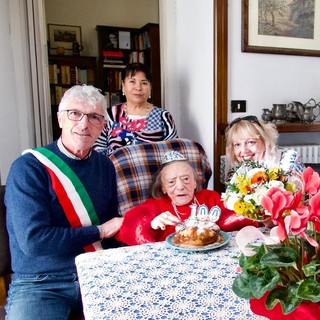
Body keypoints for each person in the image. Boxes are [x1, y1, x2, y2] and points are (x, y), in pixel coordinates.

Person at [4, 85, 123, 319]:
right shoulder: (28, 167)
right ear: (60, 119)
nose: (84, 123)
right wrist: (98, 231)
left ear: (102, 126)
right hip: (39, 282)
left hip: (95, 271)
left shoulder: (104, 165)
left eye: (94, 117)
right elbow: (34, 241)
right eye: (74, 113)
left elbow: (113, 226)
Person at [115, 150, 258, 246]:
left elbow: (237, 217)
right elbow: (130, 228)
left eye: (186, 179)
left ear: (195, 182)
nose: (180, 186)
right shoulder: (155, 206)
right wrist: (151, 224)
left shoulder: (210, 197)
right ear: (163, 187)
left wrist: (258, 213)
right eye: (171, 182)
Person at [93, 63, 178, 156]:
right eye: (132, 81)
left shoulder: (163, 117)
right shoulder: (109, 116)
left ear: (150, 88)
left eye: (144, 83)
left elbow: (174, 152)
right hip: (114, 169)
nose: (138, 88)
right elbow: (97, 151)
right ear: (123, 85)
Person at [224, 115, 305, 180]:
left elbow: (306, 196)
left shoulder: (288, 161)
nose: (243, 150)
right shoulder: (235, 174)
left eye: (250, 142)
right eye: (237, 144)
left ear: (264, 141)